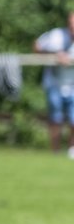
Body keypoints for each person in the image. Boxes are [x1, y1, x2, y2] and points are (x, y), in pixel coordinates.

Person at [33, 11, 74, 156]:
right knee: (55, 118)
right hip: (55, 83)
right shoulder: (56, 35)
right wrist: (55, 56)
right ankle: (55, 151)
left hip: (73, 85)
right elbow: (36, 46)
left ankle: (71, 150)